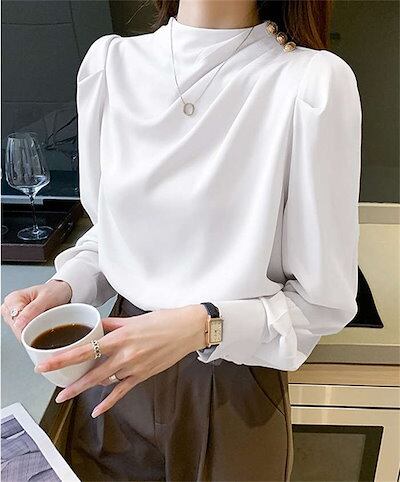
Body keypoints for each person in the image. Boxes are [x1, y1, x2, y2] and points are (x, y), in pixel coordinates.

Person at [2, 0, 362, 480]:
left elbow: (321, 303)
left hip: (230, 383)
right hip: (107, 369)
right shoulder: (110, 66)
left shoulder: (312, 83)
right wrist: (67, 286)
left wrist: (201, 326)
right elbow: (113, 232)